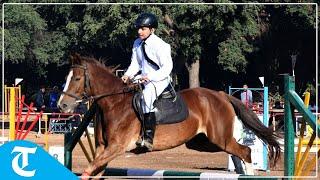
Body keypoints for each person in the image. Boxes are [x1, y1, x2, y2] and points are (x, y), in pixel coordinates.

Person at [121, 12, 173, 151]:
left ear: (152, 30)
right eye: (139, 28)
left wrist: (151, 77)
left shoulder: (161, 45)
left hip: (159, 78)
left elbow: (167, 68)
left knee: (147, 97)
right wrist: (127, 75)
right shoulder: (137, 43)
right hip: (143, 77)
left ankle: (148, 137)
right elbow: (135, 64)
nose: (139, 31)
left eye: (143, 29)